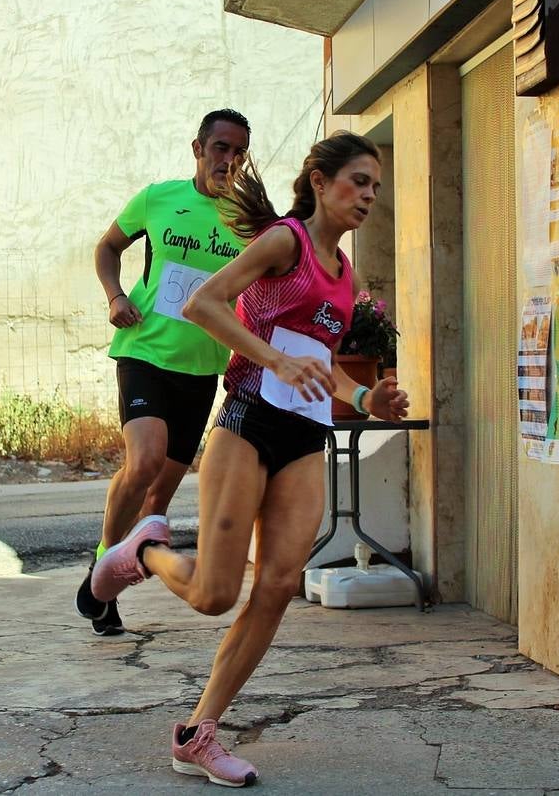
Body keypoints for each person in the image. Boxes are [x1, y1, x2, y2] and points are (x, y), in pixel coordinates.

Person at [92, 131, 410, 785]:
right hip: (246, 422)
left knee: (278, 585)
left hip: (304, 435)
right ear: (320, 182)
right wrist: (271, 358)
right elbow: (202, 303)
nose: (369, 196)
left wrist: (363, 396)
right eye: (358, 181)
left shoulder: (345, 274)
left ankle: (198, 732)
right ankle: (142, 551)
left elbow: (317, 364)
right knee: (214, 594)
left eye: (375, 186)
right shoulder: (284, 242)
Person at [74, 108, 251, 635]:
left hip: (201, 370)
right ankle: (104, 559)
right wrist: (114, 296)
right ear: (198, 149)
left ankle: (104, 586)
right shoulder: (159, 198)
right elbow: (107, 246)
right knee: (144, 462)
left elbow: (257, 294)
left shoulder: (249, 221)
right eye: (220, 148)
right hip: (145, 351)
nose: (229, 160)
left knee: (159, 499)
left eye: (239, 152)